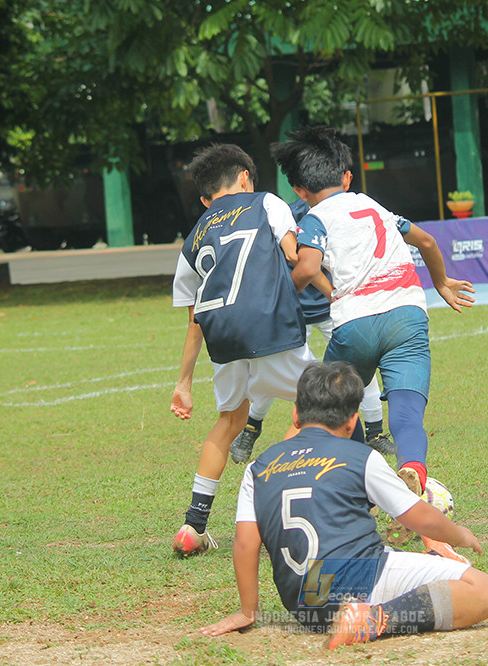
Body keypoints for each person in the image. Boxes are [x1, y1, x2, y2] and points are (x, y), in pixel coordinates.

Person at [200, 362, 488, 649]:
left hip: (304, 605)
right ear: (353, 421)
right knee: (484, 590)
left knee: (396, 561)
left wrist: (248, 611)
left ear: (295, 415)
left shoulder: (257, 467)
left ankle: (407, 581)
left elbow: (245, 544)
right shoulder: (361, 457)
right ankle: (372, 619)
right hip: (361, 580)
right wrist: (458, 534)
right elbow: (418, 516)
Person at [272, 126, 475, 546]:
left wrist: (273, 300)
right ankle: (414, 470)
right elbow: (428, 240)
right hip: (407, 313)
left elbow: (308, 269)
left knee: (332, 406)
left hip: (355, 321)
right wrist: (440, 283)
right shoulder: (374, 206)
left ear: (298, 189)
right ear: (347, 177)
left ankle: (359, 490)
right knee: (405, 411)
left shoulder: (313, 218)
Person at [169, 144, 318, 556]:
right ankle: (276, 494)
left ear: (205, 199)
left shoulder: (194, 236)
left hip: (224, 339)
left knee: (229, 420)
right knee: (328, 405)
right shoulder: (266, 202)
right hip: (270, 326)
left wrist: (183, 383)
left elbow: (195, 318)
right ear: (246, 178)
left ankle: (192, 525)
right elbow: (293, 254)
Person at [228, 198, 394, 465]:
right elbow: (305, 264)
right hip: (296, 308)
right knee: (272, 375)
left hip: (333, 307)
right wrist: (331, 294)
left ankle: (375, 432)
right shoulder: (288, 214)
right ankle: (251, 429)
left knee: (361, 366)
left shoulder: (342, 212)